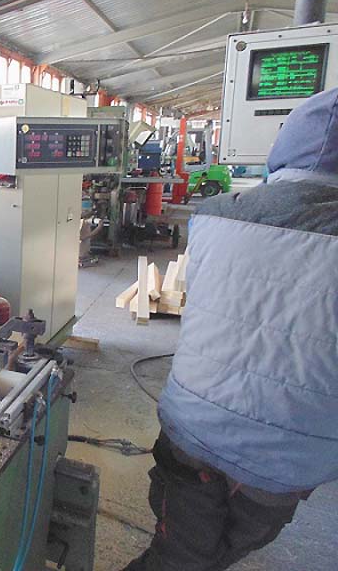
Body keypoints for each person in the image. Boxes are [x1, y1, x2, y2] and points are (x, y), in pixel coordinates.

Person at [123, 87, 338, 571]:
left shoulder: (215, 215)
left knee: (180, 552)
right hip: (288, 462)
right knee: (212, 551)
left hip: (192, 428)